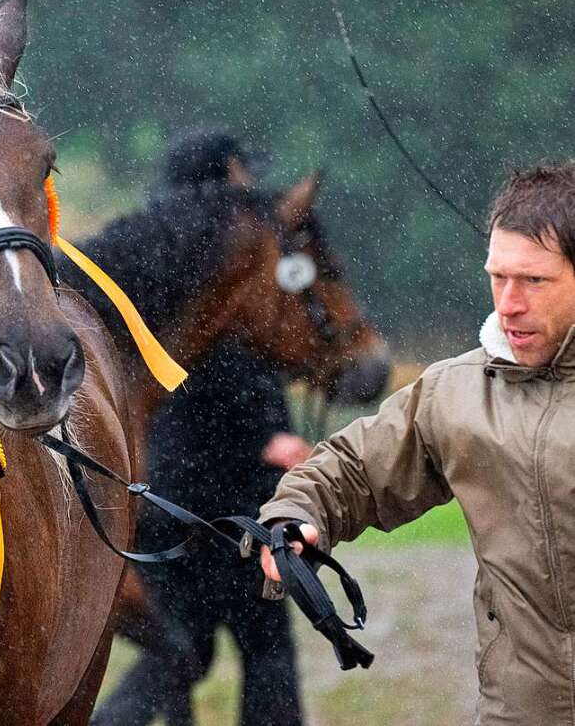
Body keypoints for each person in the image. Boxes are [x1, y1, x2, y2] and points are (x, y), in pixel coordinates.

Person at [259, 163, 575, 725]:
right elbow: (352, 469)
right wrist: (295, 515)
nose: (508, 303)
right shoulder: (457, 393)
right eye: (498, 277)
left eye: (534, 281)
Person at [93, 128, 311, 726]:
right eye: (240, 177)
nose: (251, 194)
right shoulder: (208, 288)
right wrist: (266, 441)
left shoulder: (176, 280)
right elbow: (210, 394)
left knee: (182, 654)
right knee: (252, 653)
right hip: (222, 505)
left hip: (178, 501)